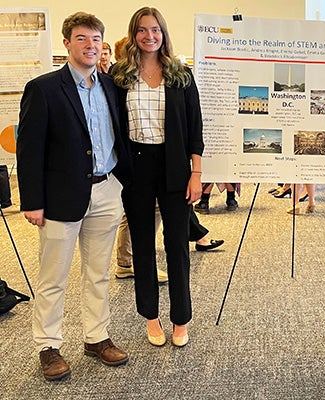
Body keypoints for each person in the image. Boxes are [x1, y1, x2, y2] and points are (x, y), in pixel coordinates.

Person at [17, 11, 129, 381]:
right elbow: (29, 150)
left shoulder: (111, 86)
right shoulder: (45, 88)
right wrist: (32, 201)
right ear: (67, 43)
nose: (91, 46)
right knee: (54, 276)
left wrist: (122, 184)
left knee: (98, 273)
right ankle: (48, 346)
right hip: (60, 197)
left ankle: (96, 337)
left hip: (106, 190)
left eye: (96, 39)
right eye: (82, 39)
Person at [110, 6, 203, 348]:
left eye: (156, 30)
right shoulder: (119, 77)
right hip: (135, 166)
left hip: (175, 165)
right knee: (142, 246)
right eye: (142, 30)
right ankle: (151, 315)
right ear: (134, 34)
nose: (150, 36)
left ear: (164, 34)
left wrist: (196, 173)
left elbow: (195, 127)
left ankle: (180, 319)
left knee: (177, 244)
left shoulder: (181, 76)